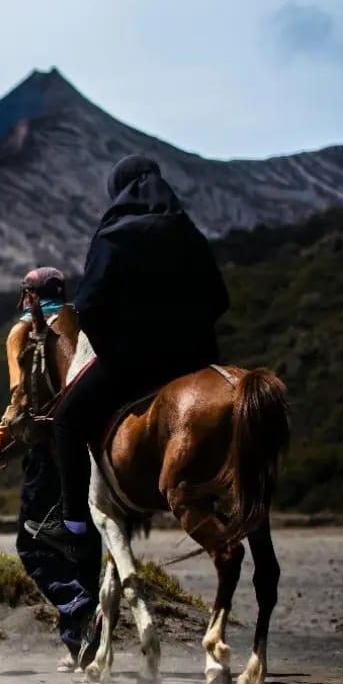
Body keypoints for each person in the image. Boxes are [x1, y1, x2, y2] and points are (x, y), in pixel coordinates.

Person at [30, 155, 230, 563]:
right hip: (194, 361)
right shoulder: (187, 230)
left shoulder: (115, 233)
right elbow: (219, 298)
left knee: (66, 420)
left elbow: (89, 304)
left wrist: (115, 348)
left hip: (133, 363)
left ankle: (71, 527)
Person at [0, 267, 102, 671]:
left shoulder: (25, 332)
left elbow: (20, 397)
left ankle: (81, 609)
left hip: (46, 453)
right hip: (88, 451)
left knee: (31, 544)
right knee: (81, 540)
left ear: (30, 296)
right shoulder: (80, 324)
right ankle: (81, 641)